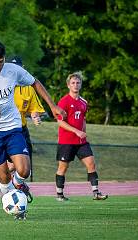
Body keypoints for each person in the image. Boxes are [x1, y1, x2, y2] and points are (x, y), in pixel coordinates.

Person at [0, 40, 65, 218]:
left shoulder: (13, 71)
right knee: (4, 178)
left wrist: (52, 106)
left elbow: (35, 82)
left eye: (1, 61)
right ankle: (13, 201)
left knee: (24, 170)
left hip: (12, 127)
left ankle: (18, 190)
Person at [0, 56, 46, 201]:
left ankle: (6, 177)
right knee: (15, 163)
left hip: (21, 129)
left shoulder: (28, 88)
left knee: (23, 165)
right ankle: (2, 177)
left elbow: (34, 109)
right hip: (4, 129)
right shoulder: (1, 85)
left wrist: (35, 116)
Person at [55, 71, 108, 201]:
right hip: (66, 141)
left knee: (91, 163)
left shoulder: (84, 102)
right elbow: (60, 121)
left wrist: (83, 132)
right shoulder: (64, 101)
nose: (76, 85)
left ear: (81, 85)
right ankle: (59, 194)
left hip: (81, 142)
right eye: (73, 83)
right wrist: (75, 131)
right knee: (63, 167)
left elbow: (83, 119)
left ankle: (96, 193)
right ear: (68, 85)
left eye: (78, 83)